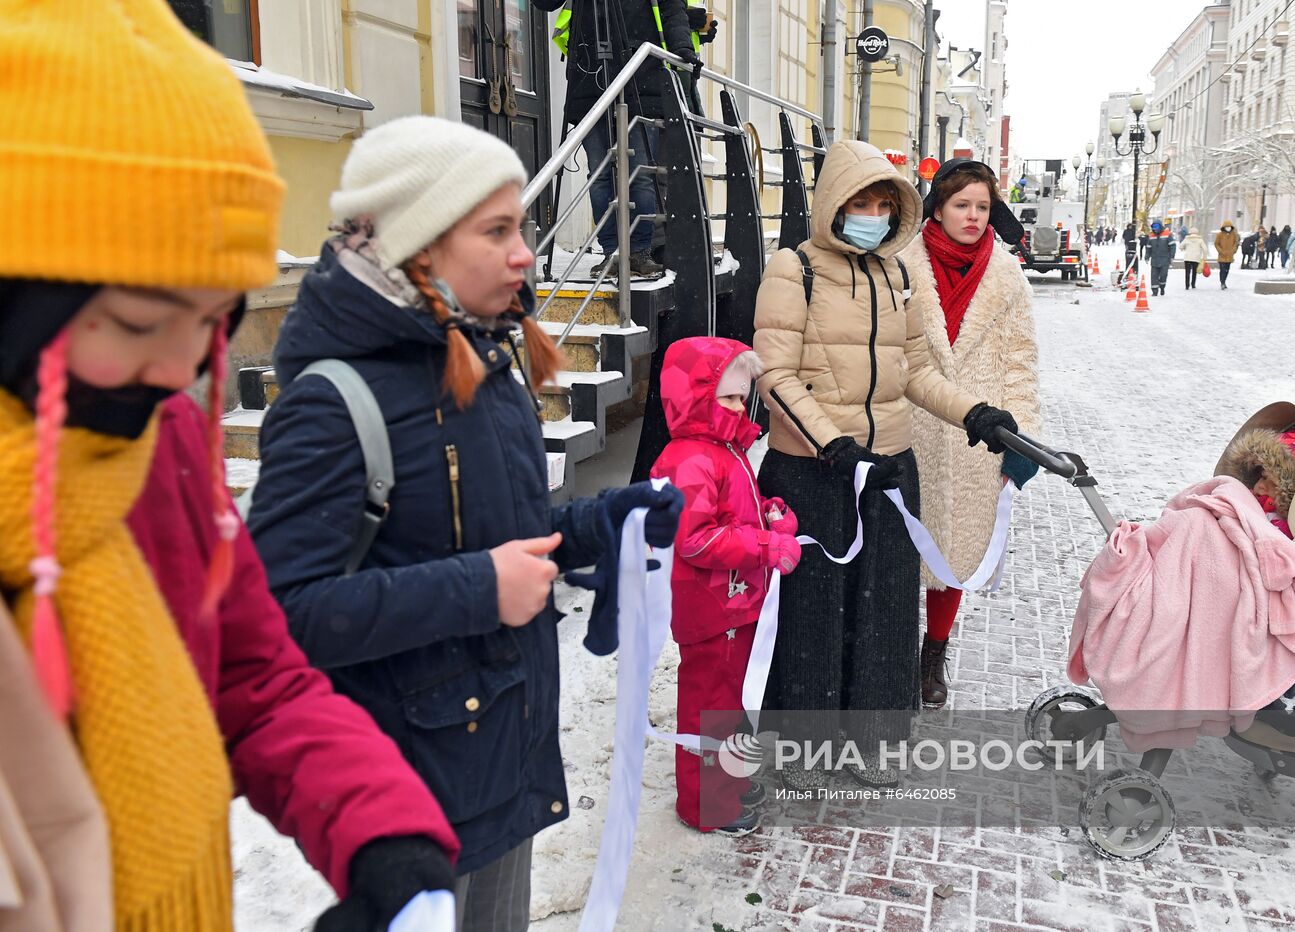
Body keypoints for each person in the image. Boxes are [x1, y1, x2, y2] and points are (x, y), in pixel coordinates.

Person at [0, 4, 466, 931]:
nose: (181, 371)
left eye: (215, 321)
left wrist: (386, 836)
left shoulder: (154, 439)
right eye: (139, 322)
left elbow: (253, 675)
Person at [245, 117, 685, 931]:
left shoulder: (482, 358)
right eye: (498, 230)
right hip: (408, 800)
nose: (525, 252)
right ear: (421, 246)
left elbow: (508, 535)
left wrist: (602, 524)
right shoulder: (332, 403)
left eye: (521, 226)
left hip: (497, 755)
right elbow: (279, 619)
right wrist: (479, 591)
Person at [752, 140, 1018, 790]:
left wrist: (976, 413)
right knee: (812, 612)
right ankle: (803, 751)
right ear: (834, 205)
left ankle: (872, 742)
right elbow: (774, 374)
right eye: (859, 202)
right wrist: (829, 444)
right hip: (813, 473)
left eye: (882, 203)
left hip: (889, 472)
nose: (870, 213)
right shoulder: (795, 269)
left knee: (885, 612)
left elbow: (919, 371)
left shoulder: (898, 275)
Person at [900, 159, 1042, 708]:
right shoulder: (901, 264)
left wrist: (1022, 435)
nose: (974, 216)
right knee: (900, 550)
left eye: (983, 207)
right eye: (963, 204)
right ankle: (890, 651)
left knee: (954, 553)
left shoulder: (1007, 276)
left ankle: (933, 655)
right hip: (910, 426)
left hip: (980, 433)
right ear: (938, 207)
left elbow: (1021, 362)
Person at [649, 337, 800, 836]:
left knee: (732, 700)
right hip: (712, 609)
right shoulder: (689, 458)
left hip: (734, 602)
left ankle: (726, 783)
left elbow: (733, 511)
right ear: (696, 397)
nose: (740, 407)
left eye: (742, 397)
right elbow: (693, 539)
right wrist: (763, 547)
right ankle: (705, 804)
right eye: (729, 398)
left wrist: (769, 514)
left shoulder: (723, 449)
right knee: (709, 706)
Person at [533, 0, 698, 280]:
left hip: (640, 77)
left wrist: (683, 51)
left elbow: (672, 9)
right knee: (599, 174)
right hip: (589, 79)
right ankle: (611, 251)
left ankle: (639, 251)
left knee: (640, 171)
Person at [1219, 429, 1295, 541]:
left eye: (1270, 481)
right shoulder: (1247, 493)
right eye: (1262, 476)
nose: (1260, 485)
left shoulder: (1285, 527)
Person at [1145, 220, 1176, 296]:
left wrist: (1172, 256)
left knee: (1163, 275)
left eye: (1157, 227)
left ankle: (1162, 287)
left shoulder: (1167, 234)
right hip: (1154, 259)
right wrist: (1147, 256)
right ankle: (1155, 291)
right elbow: (1148, 247)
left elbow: (1173, 246)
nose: (1155, 229)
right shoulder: (1151, 236)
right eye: (1154, 227)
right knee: (1154, 276)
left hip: (1165, 259)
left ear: (1160, 226)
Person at [1214, 221, 1240, 290]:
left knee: (1227, 270)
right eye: (1226, 227)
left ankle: (1224, 281)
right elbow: (1216, 243)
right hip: (1222, 256)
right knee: (1222, 270)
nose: (1228, 228)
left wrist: (1233, 250)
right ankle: (1222, 282)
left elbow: (1236, 243)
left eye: (1229, 227)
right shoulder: (1219, 235)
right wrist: (1220, 251)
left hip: (1229, 256)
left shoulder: (1234, 235)